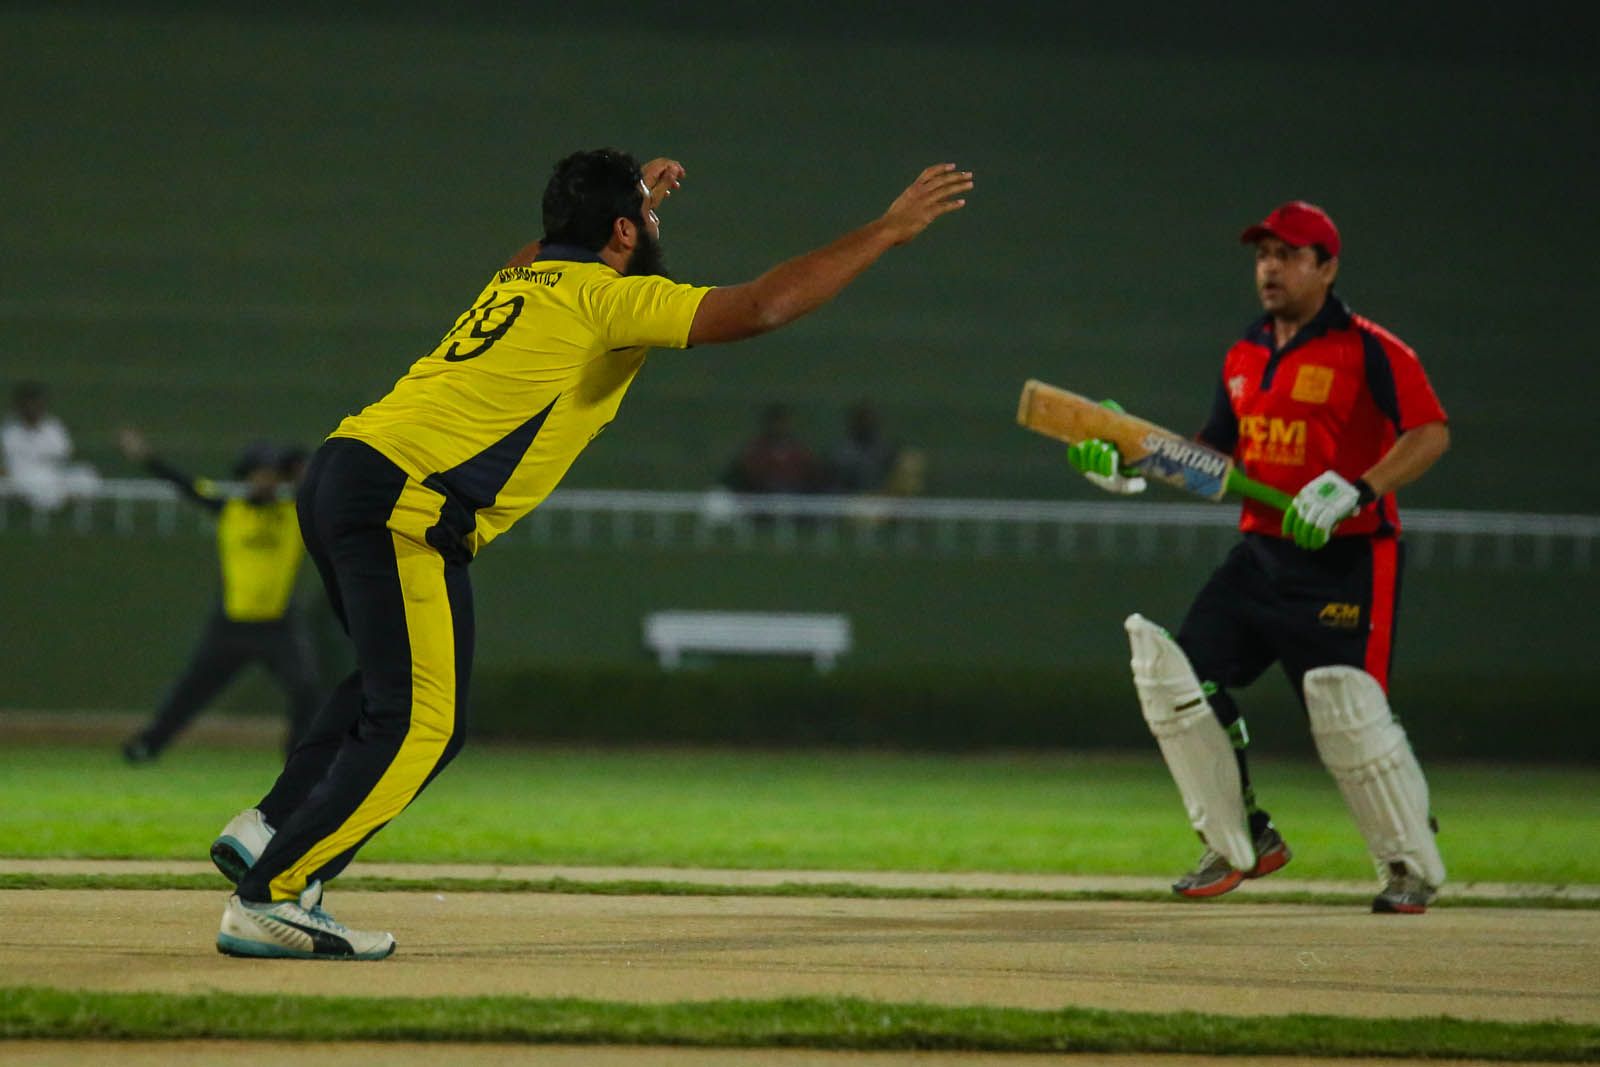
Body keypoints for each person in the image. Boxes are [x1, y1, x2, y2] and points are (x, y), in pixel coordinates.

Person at [209, 150, 973, 960]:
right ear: (621, 232)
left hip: (345, 470)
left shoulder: (518, 279)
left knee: (387, 686)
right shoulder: (607, 298)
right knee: (422, 721)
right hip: (404, 495)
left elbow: (547, 247)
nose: (653, 225)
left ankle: (269, 829)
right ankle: (275, 894)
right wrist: (886, 231)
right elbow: (762, 305)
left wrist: (619, 205)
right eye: (644, 217)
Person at [1066, 201, 1450, 914]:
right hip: (1261, 555)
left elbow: (1429, 433)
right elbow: (1211, 458)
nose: (1270, 268)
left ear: (1327, 268)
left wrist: (1358, 489)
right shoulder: (1244, 353)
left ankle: (1408, 864)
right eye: (1263, 255)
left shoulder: (1370, 349)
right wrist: (1128, 466)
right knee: (1178, 679)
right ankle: (1242, 836)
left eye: (1289, 255)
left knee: (1348, 713)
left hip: (1346, 557)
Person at [118, 430, 319, 763]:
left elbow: (319, 490)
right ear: (247, 476)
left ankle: (298, 757)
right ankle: (148, 746)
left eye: (272, 473)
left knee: (306, 689)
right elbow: (187, 485)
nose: (265, 480)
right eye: (259, 473)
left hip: (279, 626)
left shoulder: (294, 513)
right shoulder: (230, 510)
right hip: (231, 625)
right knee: (191, 690)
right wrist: (148, 458)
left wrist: (300, 471)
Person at [0, 381, 101, 511]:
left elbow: (65, 453)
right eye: (29, 405)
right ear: (20, 407)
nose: (33, 409)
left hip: (54, 474)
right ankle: (49, 502)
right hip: (21, 477)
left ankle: (62, 501)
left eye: (37, 404)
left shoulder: (53, 427)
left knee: (86, 474)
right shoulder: (9, 430)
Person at [723, 403, 821, 494]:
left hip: (794, 493)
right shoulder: (756, 449)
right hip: (761, 493)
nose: (778, 427)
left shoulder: (797, 450)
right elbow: (747, 472)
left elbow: (809, 470)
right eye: (775, 423)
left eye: (781, 423)